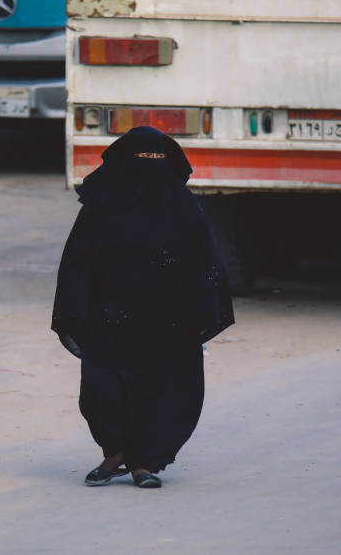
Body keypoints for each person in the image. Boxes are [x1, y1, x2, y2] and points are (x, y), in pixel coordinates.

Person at [51, 126, 234, 488]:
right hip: (109, 316)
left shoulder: (183, 208)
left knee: (161, 387)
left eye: (156, 159)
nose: (148, 167)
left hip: (167, 321)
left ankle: (146, 462)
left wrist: (200, 310)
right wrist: (77, 307)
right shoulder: (100, 205)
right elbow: (77, 261)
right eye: (140, 159)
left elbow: (205, 264)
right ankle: (114, 453)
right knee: (101, 388)